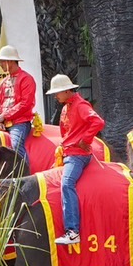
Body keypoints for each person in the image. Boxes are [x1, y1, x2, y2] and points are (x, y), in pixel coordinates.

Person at [48, 73, 104, 247]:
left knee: (67, 183)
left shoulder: (80, 105)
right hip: (68, 153)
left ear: (66, 91)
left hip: (77, 156)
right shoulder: (65, 107)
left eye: (57, 92)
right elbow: (65, 133)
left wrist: (85, 140)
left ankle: (73, 231)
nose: (55, 96)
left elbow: (98, 121)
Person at [0, 45, 38, 171]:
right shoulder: (3, 82)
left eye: (1, 61)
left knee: (16, 145)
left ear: (10, 61)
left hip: (20, 122)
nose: (0, 64)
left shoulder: (27, 79)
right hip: (4, 122)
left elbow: (25, 104)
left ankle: (26, 174)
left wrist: (4, 116)